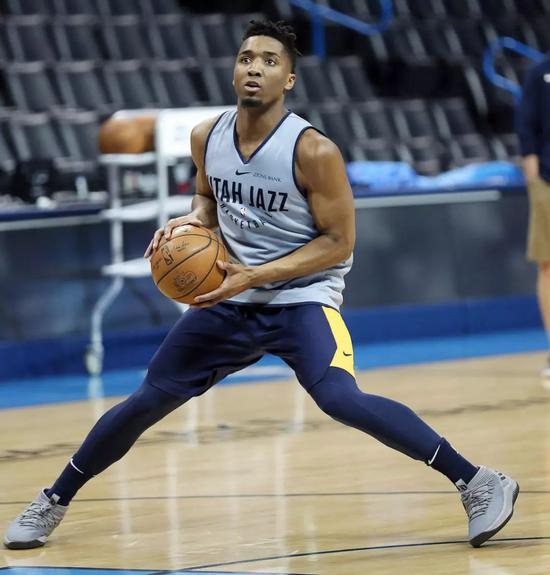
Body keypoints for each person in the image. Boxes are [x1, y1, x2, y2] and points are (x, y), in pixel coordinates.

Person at [4, 19, 519, 551]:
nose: (255, 68)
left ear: (288, 80)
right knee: (146, 400)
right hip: (230, 299)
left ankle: (478, 481)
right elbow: (208, 196)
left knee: (340, 398)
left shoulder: (313, 151)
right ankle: (53, 500)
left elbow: (339, 243)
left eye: (270, 61)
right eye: (246, 58)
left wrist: (255, 275)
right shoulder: (207, 136)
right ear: (234, 71)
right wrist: (192, 221)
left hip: (300, 298)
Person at [516, 53, 550, 378]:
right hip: (548, 181)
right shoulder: (541, 73)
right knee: (548, 264)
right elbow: (527, 126)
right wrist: (534, 179)